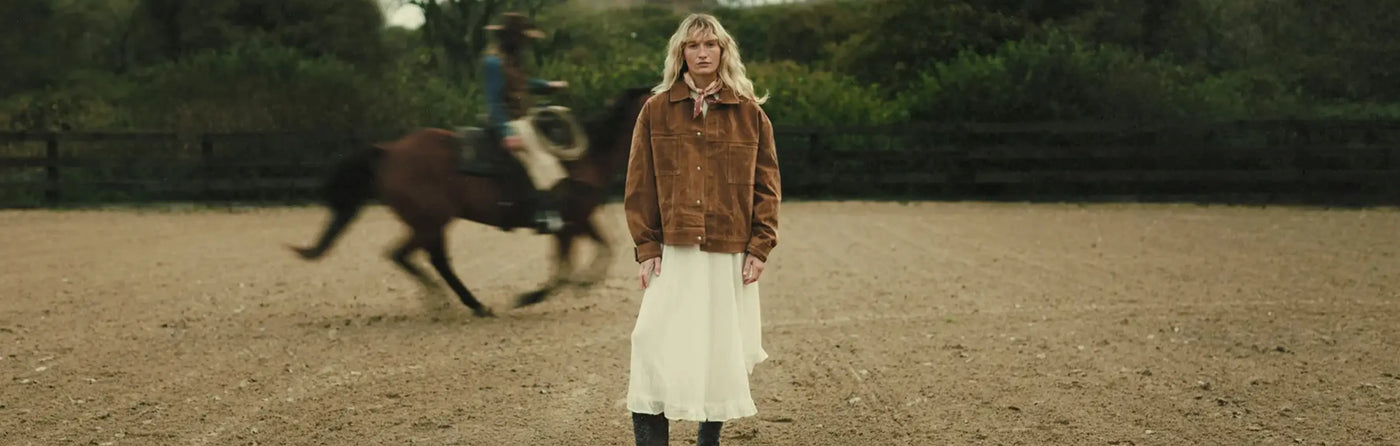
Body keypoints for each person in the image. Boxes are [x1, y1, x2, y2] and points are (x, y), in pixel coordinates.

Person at [623, 13, 780, 446]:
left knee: (717, 349)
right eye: (693, 45)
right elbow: (640, 184)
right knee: (650, 340)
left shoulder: (750, 114)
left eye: (711, 45)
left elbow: (767, 186)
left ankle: (707, 440)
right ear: (681, 54)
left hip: (728, 250)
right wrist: (647, 246)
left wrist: (760, 246)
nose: (703, 52)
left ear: (723, 52)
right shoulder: (655, 111)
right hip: (672, 248)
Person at [481, 12, 568, 233]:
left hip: (524, 116)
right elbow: (494, 101)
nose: (525, 44)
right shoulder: (493, 62)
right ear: (511, 39)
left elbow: (523, 84)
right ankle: (542, 212)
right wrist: (506, 132)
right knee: (537, 158)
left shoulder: (513, 60)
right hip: (509, 120)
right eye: (522, 40)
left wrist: (548, 85)